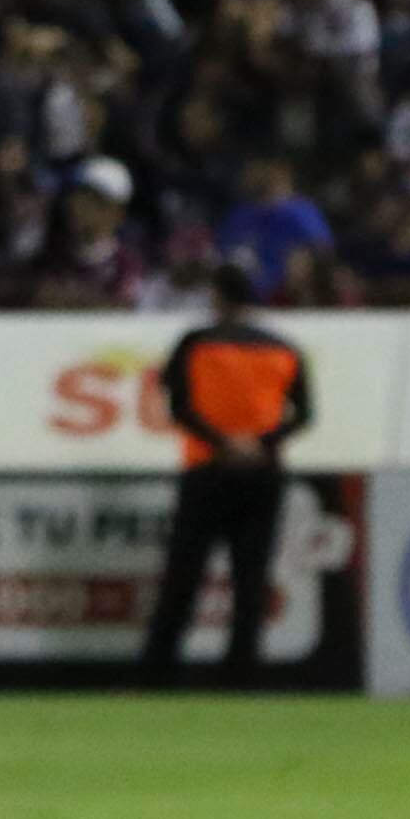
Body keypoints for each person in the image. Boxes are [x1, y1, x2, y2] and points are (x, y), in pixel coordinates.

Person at [141, 263, 313, 677]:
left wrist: (221, 442)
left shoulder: (195, 343)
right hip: (263, 472)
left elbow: (178, 406)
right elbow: (304, 414)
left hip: (206, 468)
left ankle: (158, 671)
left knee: (184, 573)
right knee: (250, 576)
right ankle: (242, 670)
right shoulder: (283, 348)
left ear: (216, 296)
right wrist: (260, 443)